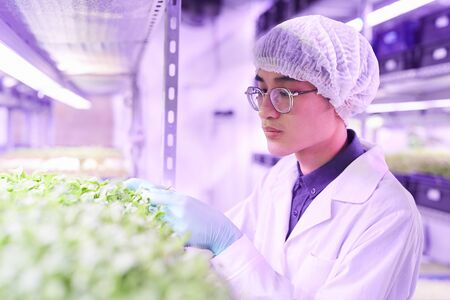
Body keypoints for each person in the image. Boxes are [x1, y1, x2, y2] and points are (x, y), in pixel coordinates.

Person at [126, 15, 423, 300]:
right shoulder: (283, 176)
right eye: (261, 90)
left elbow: (229, 244)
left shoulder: (388, 214)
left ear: (337, 96)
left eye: (283, 92)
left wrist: (224, 242)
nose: (266, 109)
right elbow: (221, 255)